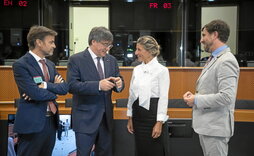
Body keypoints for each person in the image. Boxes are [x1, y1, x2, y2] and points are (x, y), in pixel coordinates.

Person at [183, 20, 240, 156]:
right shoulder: (215, 58)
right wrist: (196, 97)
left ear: (215, 35)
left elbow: (226, 97)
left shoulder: (226, 60)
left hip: (215, 128)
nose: (201, 40)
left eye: (204, 35)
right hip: (209, 127)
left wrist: (196, 100)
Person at [67, 26, 124, 156]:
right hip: (85, 119)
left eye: (110, 45)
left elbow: (118, 79)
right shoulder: (76, 59)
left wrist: (119, 83)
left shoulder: (111, 60)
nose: (107, 48)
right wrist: (98, 85)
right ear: (93, 41)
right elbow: (72, 86)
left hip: (106, 120)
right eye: (105, 44)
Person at [12, 25, 68, 156]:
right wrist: (54, 90)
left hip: (51, 121)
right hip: (32, 123)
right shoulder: (21, 64)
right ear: (38, 42)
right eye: (51, 42)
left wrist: (46, 86)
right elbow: (35, 94)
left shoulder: (50, 65)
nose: (54, 46)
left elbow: (64, 88)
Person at [127, 36, 170, 156]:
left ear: (149, 51)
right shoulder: (136, 69)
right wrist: (130, 117)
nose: (136, 53)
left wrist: (159, 122)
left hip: (153, 116)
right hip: (137, 115)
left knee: (154, 150)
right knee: (140, 150)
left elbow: (163, 98)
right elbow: (132, 94)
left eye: (139, 50)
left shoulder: (162, 70)